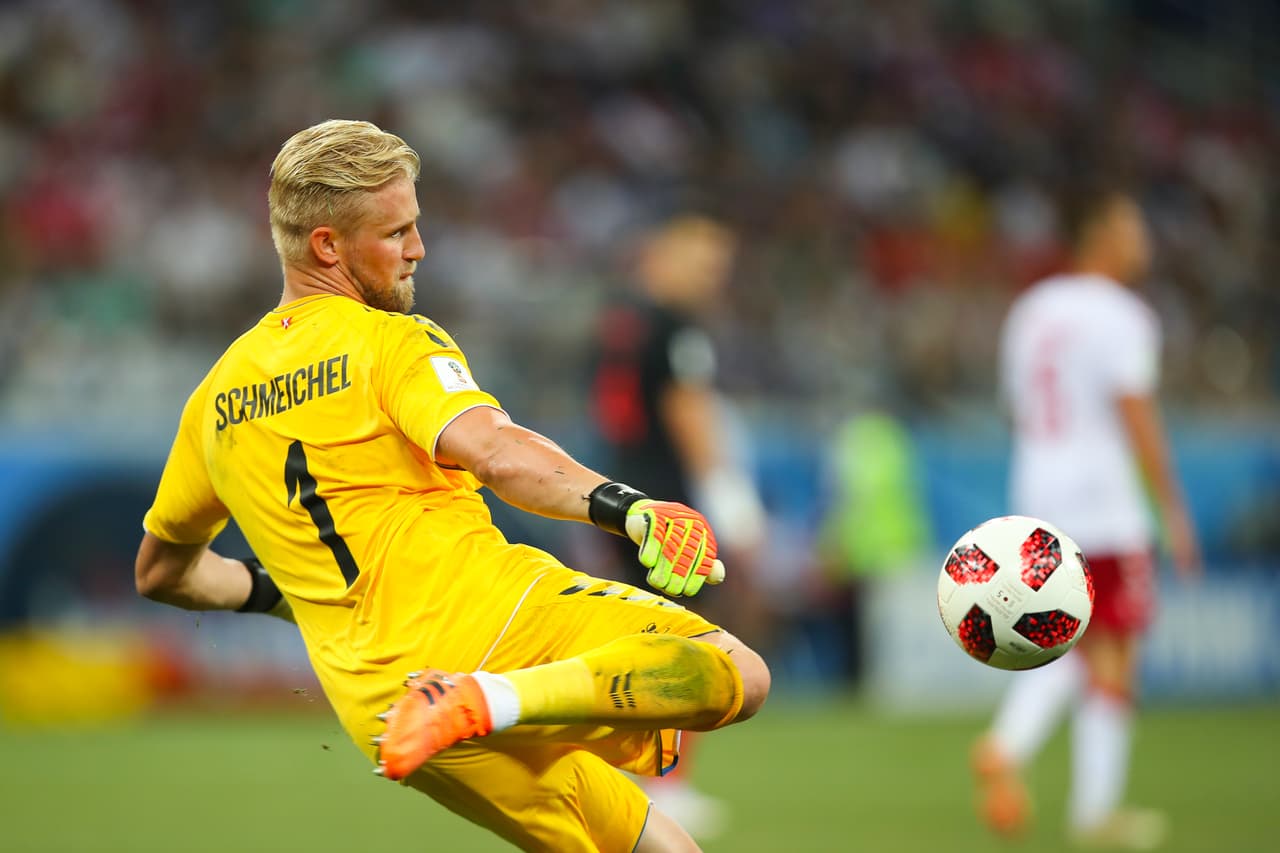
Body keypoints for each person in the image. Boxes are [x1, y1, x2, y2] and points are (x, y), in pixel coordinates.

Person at [134, 119, 770, 853]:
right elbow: (495, 452)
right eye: (396, 232)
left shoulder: (214, 401)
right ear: (328, 246)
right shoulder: (389, 342)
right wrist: (627, 506)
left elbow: (161, 573)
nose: (418, 248)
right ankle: (484, 698)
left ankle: (477, 702)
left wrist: (296, 595)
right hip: (486, 625)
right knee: (740, 673)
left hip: (386, 708)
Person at [973, 183, 1200, 849]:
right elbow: (1136, 412)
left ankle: (1010, 744)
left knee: (1065, 633)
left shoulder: (1032, 308)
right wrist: (1173, 508)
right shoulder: (1123, 315)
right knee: (1116, 646)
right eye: (1133, 228)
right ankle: (1091, 806)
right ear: (1101, 235)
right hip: (1104, 498)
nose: (1144, 242)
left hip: (1039, 487)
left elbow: (1017, 407)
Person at [587, 215, 768, 839]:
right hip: (666, 504)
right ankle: (665, 782)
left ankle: (635, 773)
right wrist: (731, 498)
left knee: (638, 633)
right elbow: (688, 410)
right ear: (661, 256)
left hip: (616, 493)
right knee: (686, 638)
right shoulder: (674, 326)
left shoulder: (617, 319)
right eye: (702, 264)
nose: (711, 278)